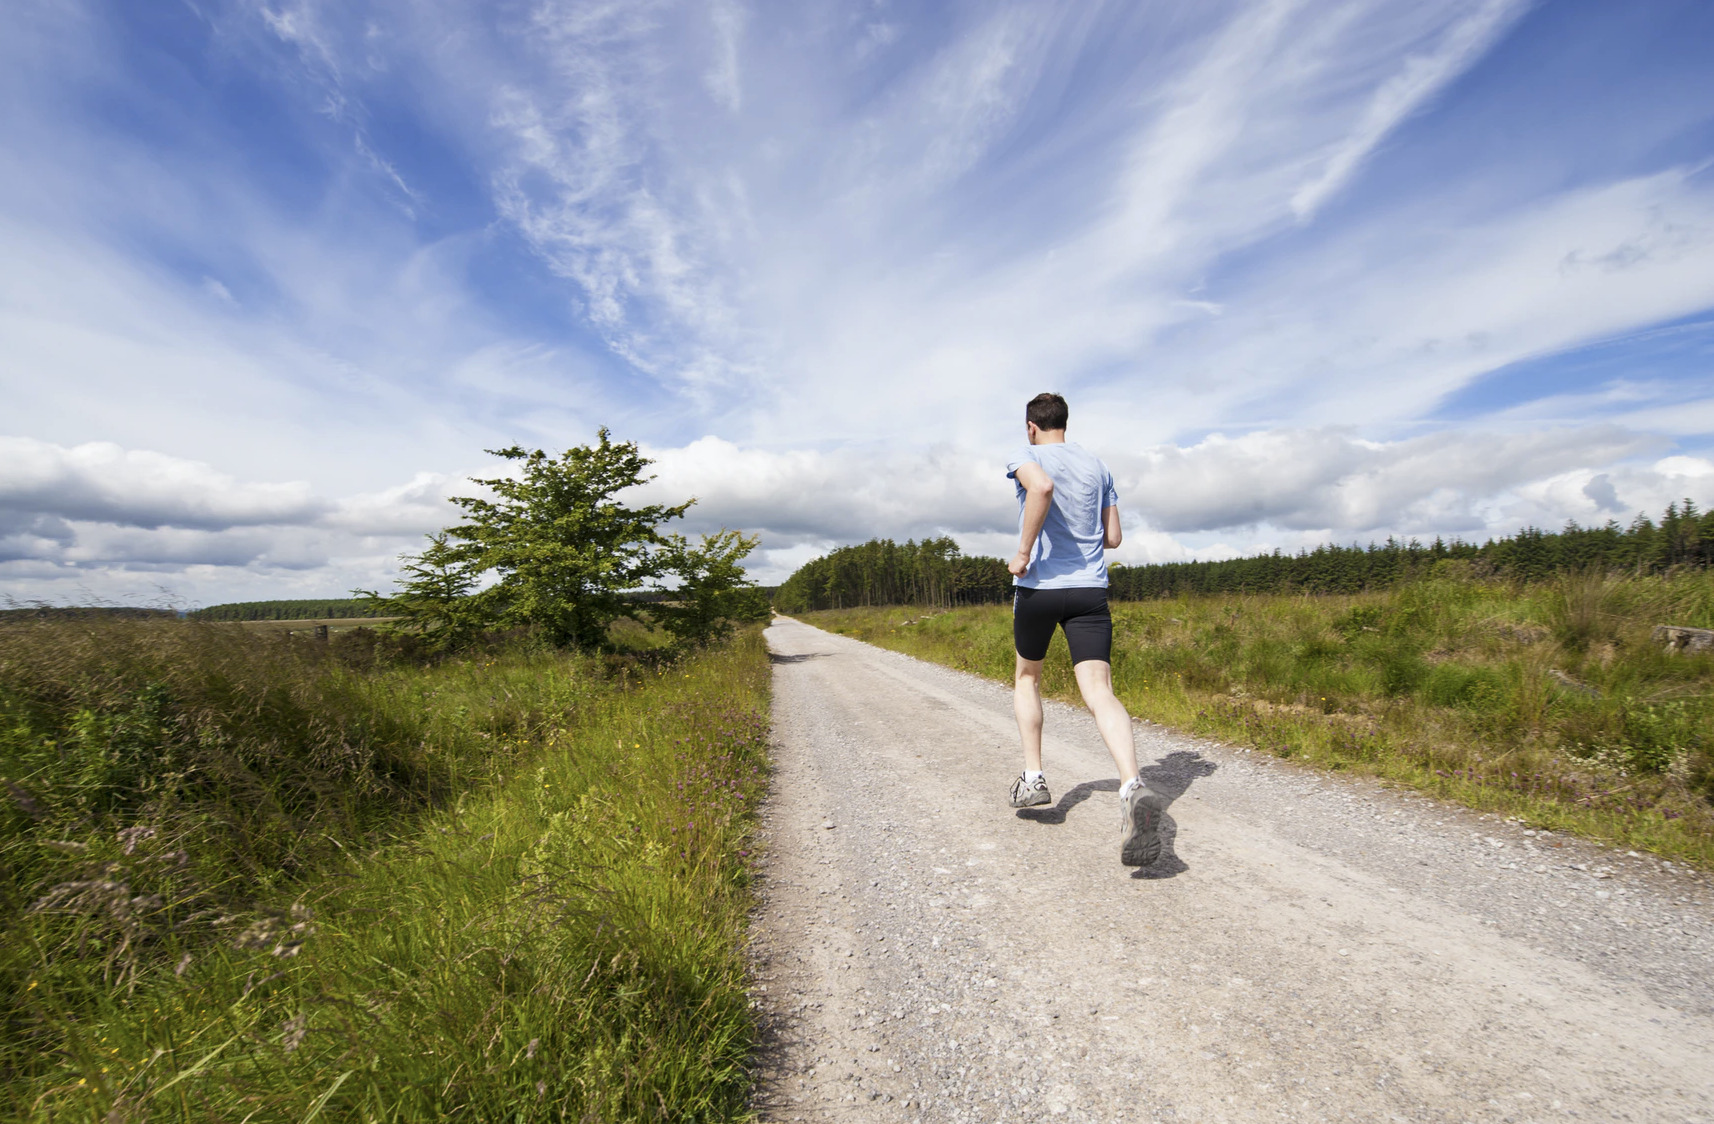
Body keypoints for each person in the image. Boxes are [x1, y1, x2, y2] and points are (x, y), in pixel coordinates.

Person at [1005, 392, 1165, 866]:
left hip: (1039, 590)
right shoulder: (1098, 466)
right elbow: (1113, 537)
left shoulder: (1026, 455)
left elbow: (1042, 488)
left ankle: (1033, 778)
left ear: (1032, 426)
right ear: (1065, 423)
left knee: (1027, 677)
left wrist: (1022, 552)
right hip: (1091, 591)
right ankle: (1132, 784)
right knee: (1099, 691)